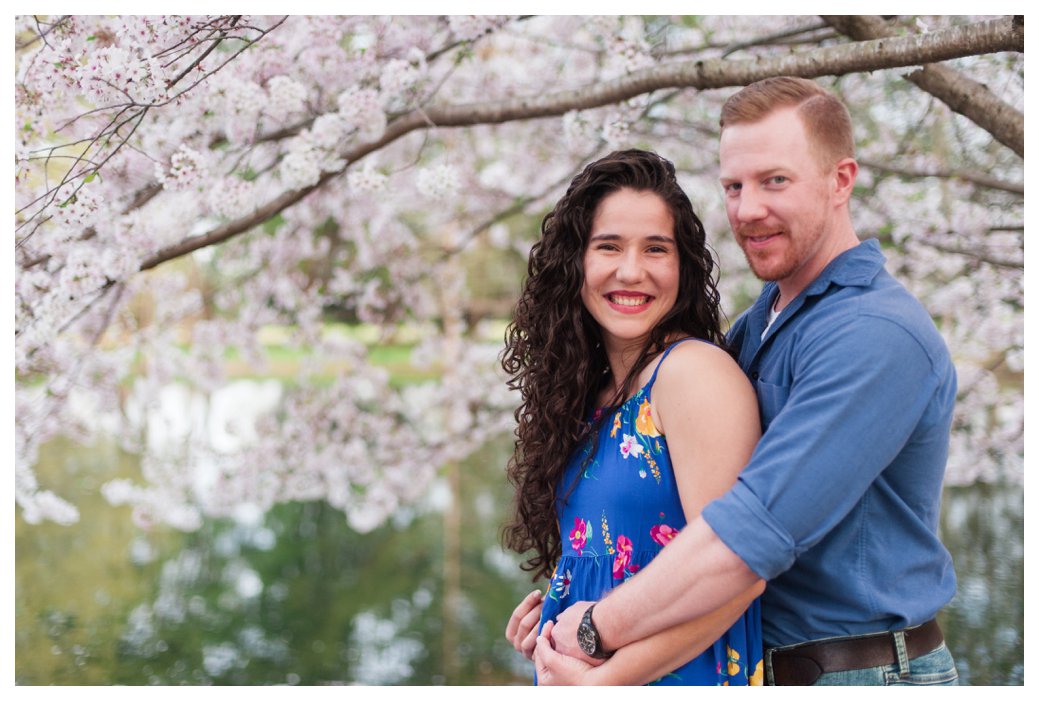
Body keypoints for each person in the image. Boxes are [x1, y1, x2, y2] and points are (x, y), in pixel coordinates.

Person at [537, 77, 960, 686]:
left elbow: (747, 539)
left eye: (775, 181)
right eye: (734, 186)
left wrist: (593, 630)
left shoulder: (874, 335)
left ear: (842, 180)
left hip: (860, 672)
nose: (748, 209)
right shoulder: (763, 323)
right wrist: (559, 607)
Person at [500, 149, 765, 685]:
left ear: (682, 266)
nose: (631, 271)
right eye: (609, 247)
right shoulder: (589, 394)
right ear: (575, 262)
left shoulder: (692, 375)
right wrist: (549, 622)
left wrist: (606, 682)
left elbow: (738, 576)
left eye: (655, 249)